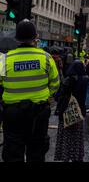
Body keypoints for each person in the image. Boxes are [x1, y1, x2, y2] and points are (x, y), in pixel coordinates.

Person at [0, 19, 60, 162]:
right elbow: (56, 83)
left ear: (17, 39)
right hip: (38, 113)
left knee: (13, 153)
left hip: (12, 114)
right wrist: (47, 95)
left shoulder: (5, 59)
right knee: (37, 153)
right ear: (35, 38)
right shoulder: (46, 57)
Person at [54, 60, 89, 162]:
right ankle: (76, 156)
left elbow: (58, 96)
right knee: (76, 137)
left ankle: (65, 156)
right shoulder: (85, 80)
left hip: (66, 112)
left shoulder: (68, 80)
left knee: (65, 137)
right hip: (79, 112)